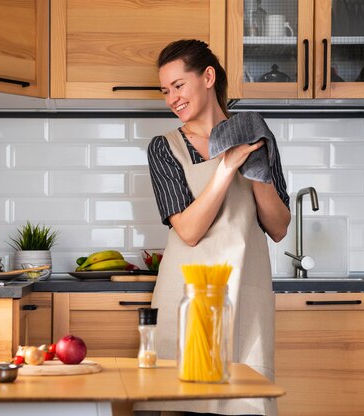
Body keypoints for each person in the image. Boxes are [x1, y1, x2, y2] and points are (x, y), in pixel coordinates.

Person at [136, 39, 291, 416]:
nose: (172, 98)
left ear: (207, 77)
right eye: (165, 90)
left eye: (178, 85)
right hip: (187, 297)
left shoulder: (255, 137)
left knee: (246, 404)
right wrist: (226, 168)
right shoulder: (164, 147)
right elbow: (189, 230)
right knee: (182, 405)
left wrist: (255, 168)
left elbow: (279, 226)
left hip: (244, 294)